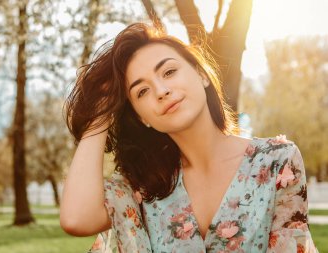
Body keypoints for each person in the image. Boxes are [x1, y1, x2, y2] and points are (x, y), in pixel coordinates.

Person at [60, 23, 319, 253]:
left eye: (169, 72)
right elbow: (76, 219)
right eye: (142, 91)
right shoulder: (142, 186)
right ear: (142, 118)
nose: (161, 91)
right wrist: (100, 113)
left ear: (201, 74)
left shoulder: (277, 162)